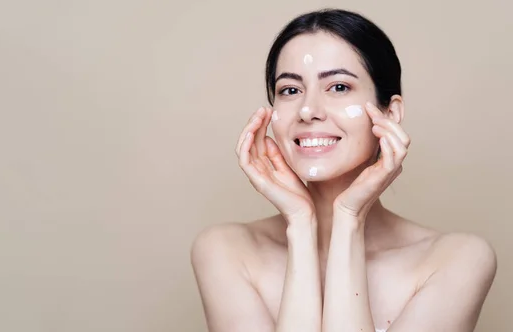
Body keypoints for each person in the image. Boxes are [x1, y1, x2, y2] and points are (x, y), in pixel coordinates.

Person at [190, 8, 497, 332]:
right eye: (290, 90)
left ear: (390, 114)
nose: (308, 111)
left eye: (338, 87)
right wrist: (300, 224)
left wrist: (349, 218)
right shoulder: (227, 251)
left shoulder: (456, 260)